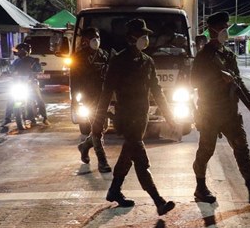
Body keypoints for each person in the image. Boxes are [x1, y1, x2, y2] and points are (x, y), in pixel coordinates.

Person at [92, 18, 175, 216]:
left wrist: (169, 116)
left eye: (146, 35)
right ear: (131, 37)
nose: (146, 39)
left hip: (141, 118)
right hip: (126, 118)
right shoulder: (118, 61)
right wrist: (98, 120)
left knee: (128, 156)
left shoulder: (148, 61)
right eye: (142, 35)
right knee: (140, 159)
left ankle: (114, 190)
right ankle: (158, 201)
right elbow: (106, 92)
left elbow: (157, 91)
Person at [191, 11, 250, 204]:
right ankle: (200, 187)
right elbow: (193, 81)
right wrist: (217, 78)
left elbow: (238, 82)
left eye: (226, 28)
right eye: (222, 28)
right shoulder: (204, 56)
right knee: (205, 151)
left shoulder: (228, 55)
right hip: (210, 112)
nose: (225, 31)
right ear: (212, 30)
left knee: (242, 149)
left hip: (229, 113)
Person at [73, 27, 111, 173]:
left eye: (98, 37)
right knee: (96, 128)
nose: (96, 41)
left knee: (102, 128)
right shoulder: (78, 58)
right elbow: (75, 80)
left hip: (103, 97)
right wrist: (77, 100)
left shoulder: (104, 55)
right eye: (93, 38)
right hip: (88, 97)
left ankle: (84, 146)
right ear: (85, 41)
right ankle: (102, 161)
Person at [1, 42, 50, 127]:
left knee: (39, 99)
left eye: (23, 50)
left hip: (30, 83)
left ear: (28, 51)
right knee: (10, 99)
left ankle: (45, 117)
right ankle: (7, 118)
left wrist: (38, 72)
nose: (21, 52)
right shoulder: (16, 61)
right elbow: (11, 69)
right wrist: (8, 73)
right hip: (18, 83)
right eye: (20, 50)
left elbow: (39, 69)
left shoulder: (33, 61)